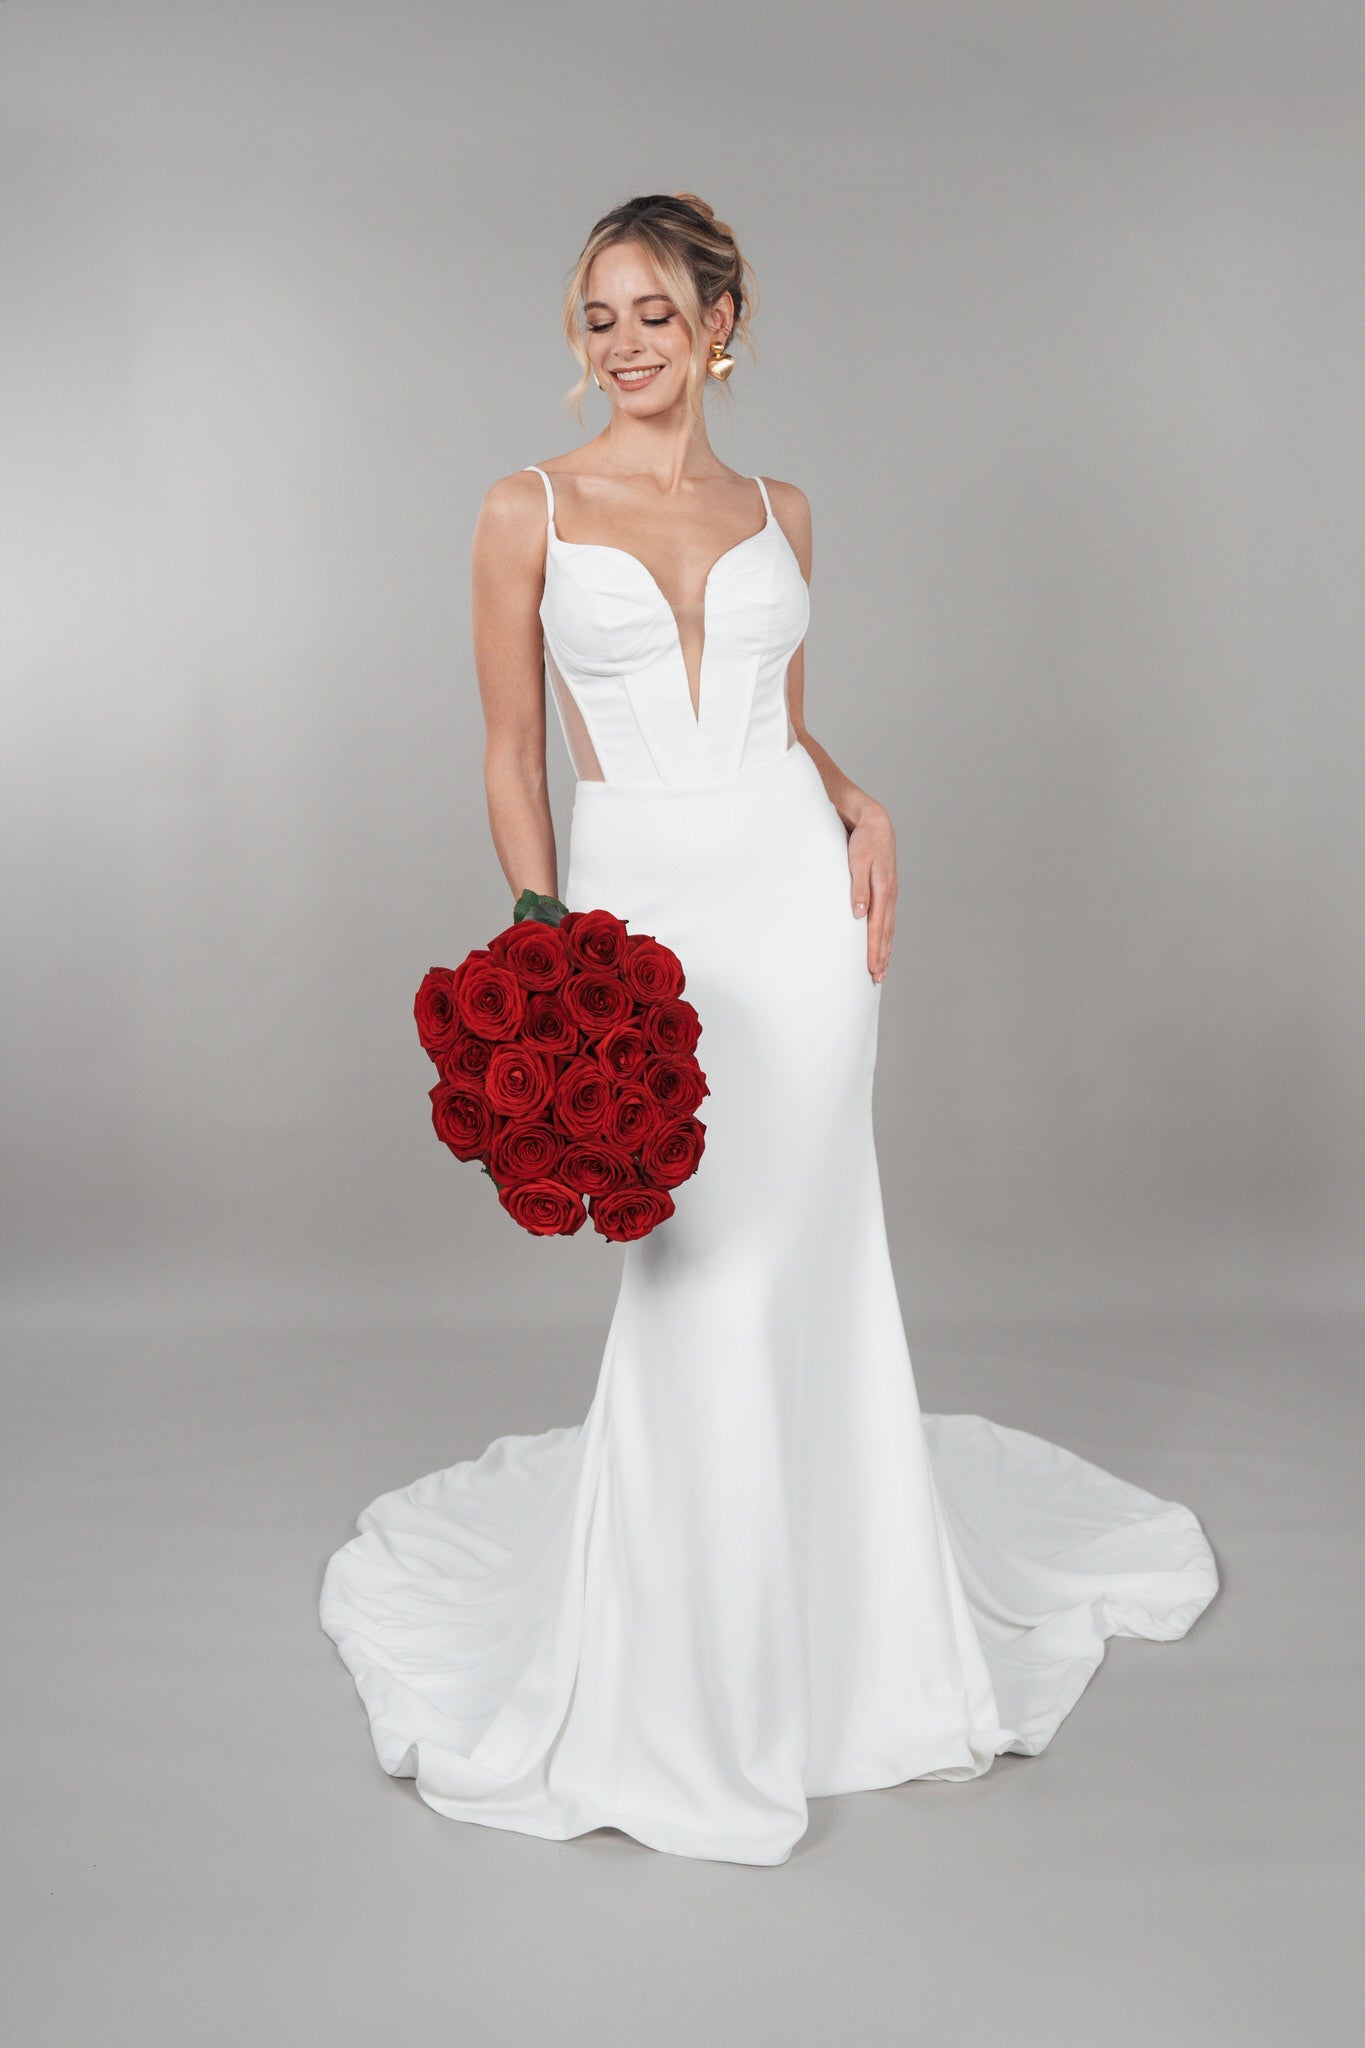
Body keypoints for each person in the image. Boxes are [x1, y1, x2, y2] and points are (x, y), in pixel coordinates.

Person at [319, 191, 1219, 1866]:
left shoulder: (782, 511)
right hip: (638, 918)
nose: (625, 344)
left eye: (655, 313)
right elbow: (512, 751)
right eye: (599, 317)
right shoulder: (525, 507)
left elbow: (781, 725)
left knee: (806, 1251)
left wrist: (859, 798)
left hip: (798, 914)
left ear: (719, 324)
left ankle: (838, 1634)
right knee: (697, 1269)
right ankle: (684, 1670)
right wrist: (545, 933)